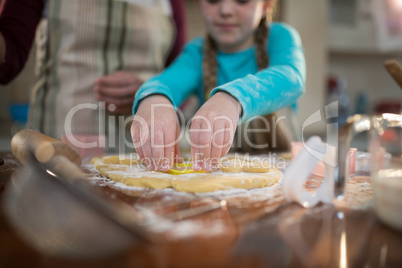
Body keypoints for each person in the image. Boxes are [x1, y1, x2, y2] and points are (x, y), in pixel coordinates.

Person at [131, 0, 305, 172]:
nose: (226, 10)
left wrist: (232, 99)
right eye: (213, 0)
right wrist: (153, 99)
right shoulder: (196, 54)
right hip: (216, 182)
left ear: (266, 5)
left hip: (284, 177)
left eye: (242, 1)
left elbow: (291, 77)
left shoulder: (279, 37)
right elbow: (164, 83)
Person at [0, 0, 185, 151]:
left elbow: (180, 76)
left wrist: (148, 92)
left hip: (139, 155)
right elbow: (8, 60)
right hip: (57, 148)